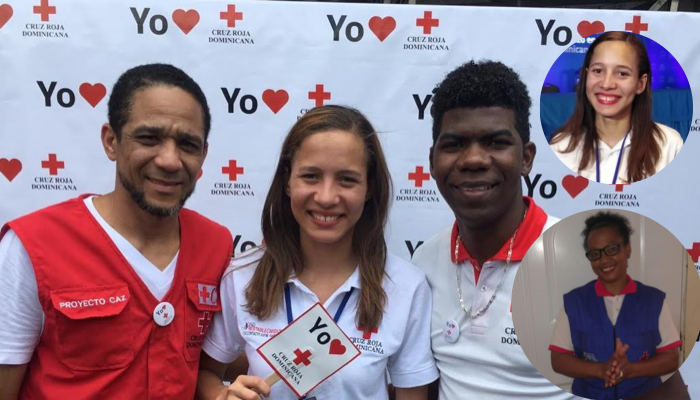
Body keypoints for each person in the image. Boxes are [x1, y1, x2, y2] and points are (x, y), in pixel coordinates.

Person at [0, 64, 233, 399]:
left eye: (187, 144)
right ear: (111, 141)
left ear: (203, 155)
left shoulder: (216, 244)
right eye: (149, 138)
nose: (170, 160)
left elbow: (213, 361)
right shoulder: (32, 245)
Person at [197, 105, 438, 400]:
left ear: (369, 188)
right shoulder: (242, 275)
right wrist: (222, 396)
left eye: (347, 179)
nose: (326, 197)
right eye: (311, 176)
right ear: (287, 181)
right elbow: (206, 374)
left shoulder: (406, 287)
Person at [411, 60, 573, 399]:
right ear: (432, 161)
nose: (473, 159)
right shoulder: (423, 264)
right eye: (454, 144)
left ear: (526, 158)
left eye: (496, 142)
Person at [549, 212, 681, 399]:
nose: (604, 259)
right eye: (595, 254)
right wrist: (600, 370)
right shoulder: (574, 302)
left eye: (611, 249)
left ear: (627, 249)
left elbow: (671, 358)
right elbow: (559, 360)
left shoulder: (653, 300)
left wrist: (631, 370)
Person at [549, 31, 683, 184]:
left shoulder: (670, 145)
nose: (606, 84)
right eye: (598, 71)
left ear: (641, 84)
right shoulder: (560, 146)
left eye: (622, 73)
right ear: (586, 76)